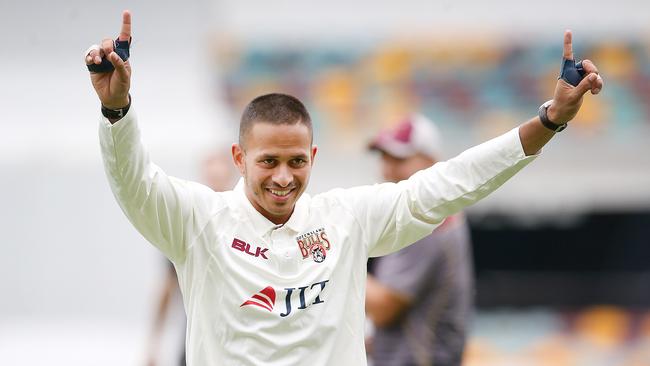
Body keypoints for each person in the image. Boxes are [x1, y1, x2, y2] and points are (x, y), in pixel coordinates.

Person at [84, 10, 603, 366]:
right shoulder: (199, 220)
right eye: (267, 162)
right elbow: (135, 183)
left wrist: (549, 121)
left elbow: (449, 185)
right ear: (239, 158)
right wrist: (116, 111)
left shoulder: (345, 219)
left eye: (294, 161)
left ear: (312, 158)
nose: (283, 177)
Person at [365, 114, 473, 366]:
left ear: (430, 161)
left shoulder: (427, 221)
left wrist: (334, 259)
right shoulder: (431, 214)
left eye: (399, 158)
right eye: (384, 157)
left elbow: (384, 308)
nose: (388, 169)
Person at [145, 152, 237, 366]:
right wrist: (153, 344)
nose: (214, 188)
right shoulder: (187, 230)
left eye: (220, 180)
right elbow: (167, 288)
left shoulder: (247, 228)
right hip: (196, 347)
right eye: (210, 180)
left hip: (237, 347)